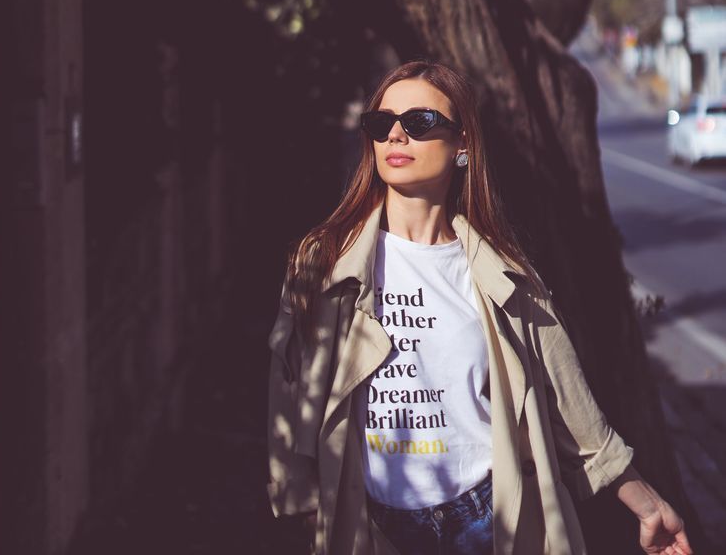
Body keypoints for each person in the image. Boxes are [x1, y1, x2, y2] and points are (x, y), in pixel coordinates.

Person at [267, 58, 694, 555]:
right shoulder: (323, 262)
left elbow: (567, 403)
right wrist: (298, 499)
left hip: (487, 518)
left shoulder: (504, 276)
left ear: (463, 144)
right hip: (372, 520)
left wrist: (646, 503)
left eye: (420, 123)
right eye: (382, 124)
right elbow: (290, 385)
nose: (396, 137)